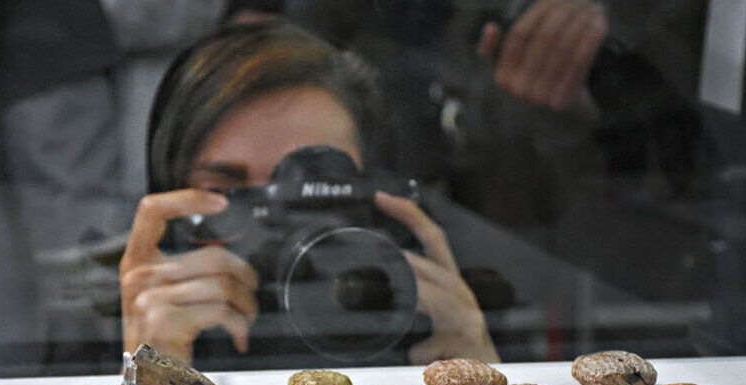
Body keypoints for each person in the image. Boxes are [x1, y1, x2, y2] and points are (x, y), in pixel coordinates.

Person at [119, 19, 499, 365]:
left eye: (314, 191)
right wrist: (157, 375)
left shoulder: (416, 322)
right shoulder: (102, 334)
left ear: (383, 204)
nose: (280, 232)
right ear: (170, 215)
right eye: (224, 196)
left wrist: (468, 369)